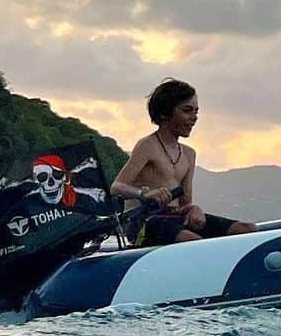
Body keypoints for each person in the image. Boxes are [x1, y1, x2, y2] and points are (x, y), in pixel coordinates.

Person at [110, 79, 257, 246]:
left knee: (247, 229)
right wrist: (144, 194)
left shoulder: (189, 154)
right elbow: (116, 187)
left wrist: (194, 209)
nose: (194, 118)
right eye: (187, 111)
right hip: (144, 222)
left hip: (175, 218)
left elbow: (185, 203)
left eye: (196, 112)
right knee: (193, 241)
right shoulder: (147, 146)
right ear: (164, 113)